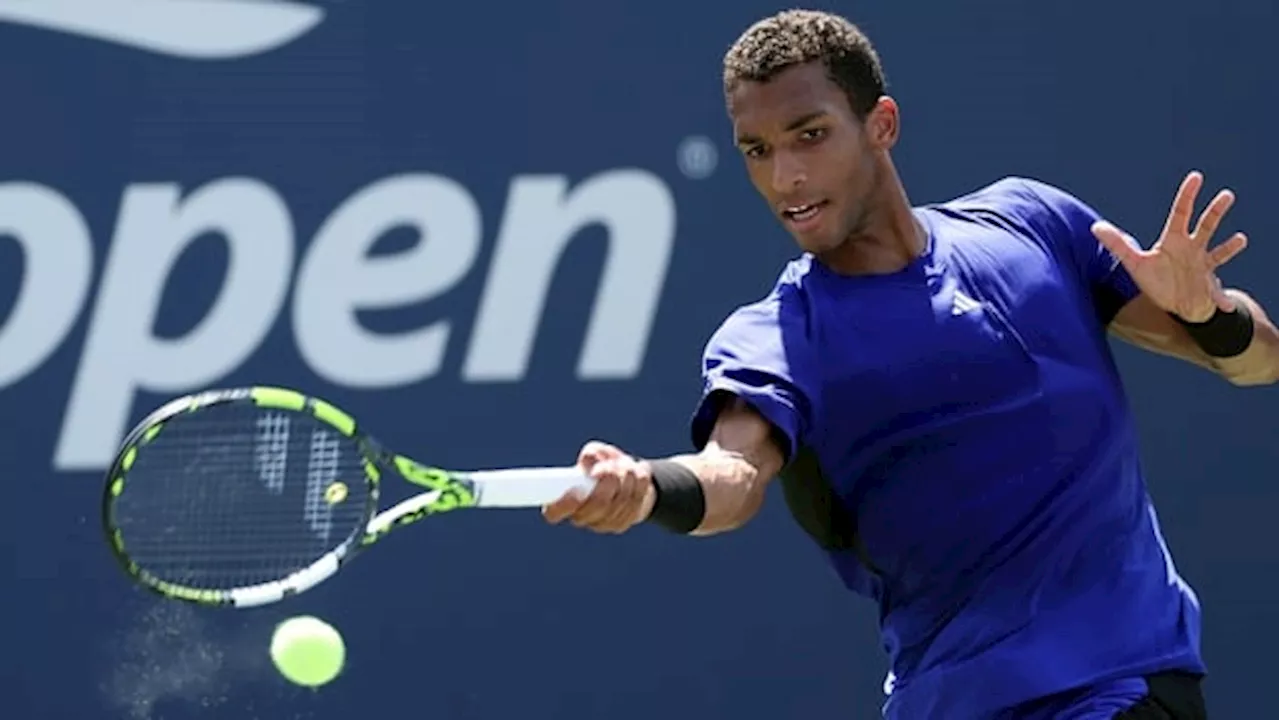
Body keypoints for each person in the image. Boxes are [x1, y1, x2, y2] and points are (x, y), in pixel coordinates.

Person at [542, 9, 1278, 719]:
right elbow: (729, 476)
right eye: (758, 150)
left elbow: (1257, 365)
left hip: (1117, 690)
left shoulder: (1030, 224)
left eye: (810, 135)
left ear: (881, 125)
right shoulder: (777, 336)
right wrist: (645, 490)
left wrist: (1209, 316)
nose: (784, 177)